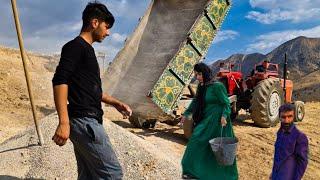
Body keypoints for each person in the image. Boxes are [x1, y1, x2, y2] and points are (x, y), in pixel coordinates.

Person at [51, 2, 132, 179]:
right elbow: (59, 80)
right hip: (85, 121)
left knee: (88, 175)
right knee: (113, 174)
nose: (108, 32)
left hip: (86, 121)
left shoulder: (87, 51)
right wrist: (63, 122)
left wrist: (117, 103)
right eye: (106, 26)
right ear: (94, 22)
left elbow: (93, 91)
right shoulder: (75, 47)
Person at [180, 63, 238, 179]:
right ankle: (192, 171)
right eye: (196, 74)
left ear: (206, 73)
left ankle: (221, 176)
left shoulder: (217, 86)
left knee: (218, 151)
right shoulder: (202, 86)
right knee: (196, 140)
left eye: (200, 74)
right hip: (207, 119)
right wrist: (186, 114)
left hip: (218, 121)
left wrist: (224, 116)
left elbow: (225, 103)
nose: (198, 77)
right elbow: (196, 101)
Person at [270, 104, 308, 180]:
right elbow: (278, 156)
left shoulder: (300, 137)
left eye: (289, 116)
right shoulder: (280, 133)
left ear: (294, 116)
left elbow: (302, 163)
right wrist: (273, 173)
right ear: (279, 118)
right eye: (283, 117)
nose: (286, 120)